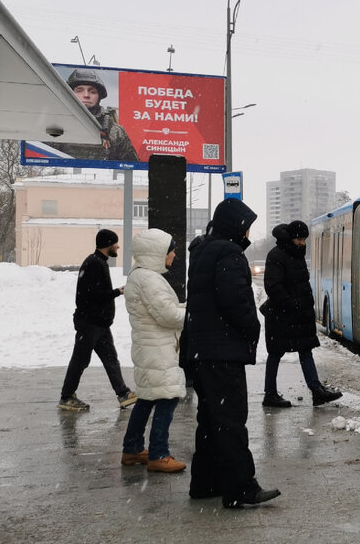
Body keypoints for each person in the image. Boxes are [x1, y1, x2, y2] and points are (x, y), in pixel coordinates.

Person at [182, 198, 280, 508]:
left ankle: (205, 482)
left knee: (211, 419)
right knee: (231, 420)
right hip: (221, 351)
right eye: (246, 226)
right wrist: (252, 329)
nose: (249, 233)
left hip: (199, 350)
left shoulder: (200, 250)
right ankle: (241, 488)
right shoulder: (229, 254)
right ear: (235, 226)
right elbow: (236, 303)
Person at [120, 229, 186, 473]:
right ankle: (159, 454)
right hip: (158, 348)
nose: (174, 254)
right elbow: (168, 316)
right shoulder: (149, 279)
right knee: (167, 398)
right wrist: (194, 314)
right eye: (170, 250)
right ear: (157, 252)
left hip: (149, 346)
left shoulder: (141, 276)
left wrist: (182, 307)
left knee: (147, 399)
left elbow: (163, 308)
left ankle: (133, 449)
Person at [260, 220, 342, 408]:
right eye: (299, 239)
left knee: (306, 350)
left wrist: (302, 306)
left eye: (304, 239)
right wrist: (292, 304)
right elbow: (273, 286)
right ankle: (270, 393)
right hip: (281, 316)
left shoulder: (295, 254)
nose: (302, 243)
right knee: (275, 353)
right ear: (290, 238)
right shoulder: (276, 255)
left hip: (298, 315)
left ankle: (316, 391)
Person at [58, 229, 137, 412]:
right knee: (80, 360)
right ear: (108, 244)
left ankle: (123, 393)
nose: (118, 246)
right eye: (115, 243)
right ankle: (66, 397)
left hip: (100, 324)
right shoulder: (94, 263)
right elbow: (90, 295)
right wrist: (117, 291)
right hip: (90, 324)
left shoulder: (98, 262)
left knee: (111, 359)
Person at [50, 69, 138, 162]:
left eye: (92, 91)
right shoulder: (53, 125)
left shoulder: (115, 131)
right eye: (79, 90)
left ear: (99, 96)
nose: (86, 95)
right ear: (70, 93)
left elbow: (132, 168)